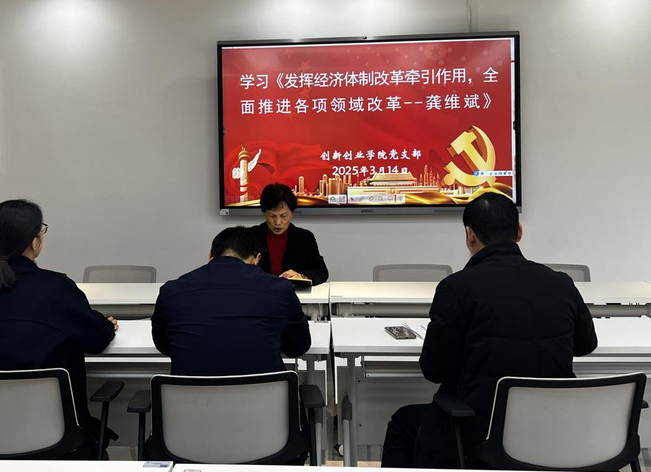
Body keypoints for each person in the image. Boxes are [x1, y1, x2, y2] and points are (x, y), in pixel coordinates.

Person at [380, 191, 597, 468]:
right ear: (519, 232)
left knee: (403, 423)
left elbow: (434, 370)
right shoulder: (561, 283)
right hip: (554, 429)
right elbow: (585, 345)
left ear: (469, 235)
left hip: (479, 434)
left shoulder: (456, 288)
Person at [0, 199, 117, 457]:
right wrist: (105, 324)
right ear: (35, 242)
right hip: (58, 438)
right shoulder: (56, 286)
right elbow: (96, 339)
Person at [151, 226, 311, 375]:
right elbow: (298, 347)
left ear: (210, 256)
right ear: (256, 259)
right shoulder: (280, 289)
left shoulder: (171, 291)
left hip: (189, 395)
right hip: (264, 395)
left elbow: (164, 346)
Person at [250, 183, 329, 286]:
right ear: (264, 213)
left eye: (283, 216)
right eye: (272, 216)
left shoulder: (305, 238)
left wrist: (301, 276)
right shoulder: (251, 236)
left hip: (294, 293)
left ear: (292, 214)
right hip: (259, 292)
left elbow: (321, 272)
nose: (278, 222)